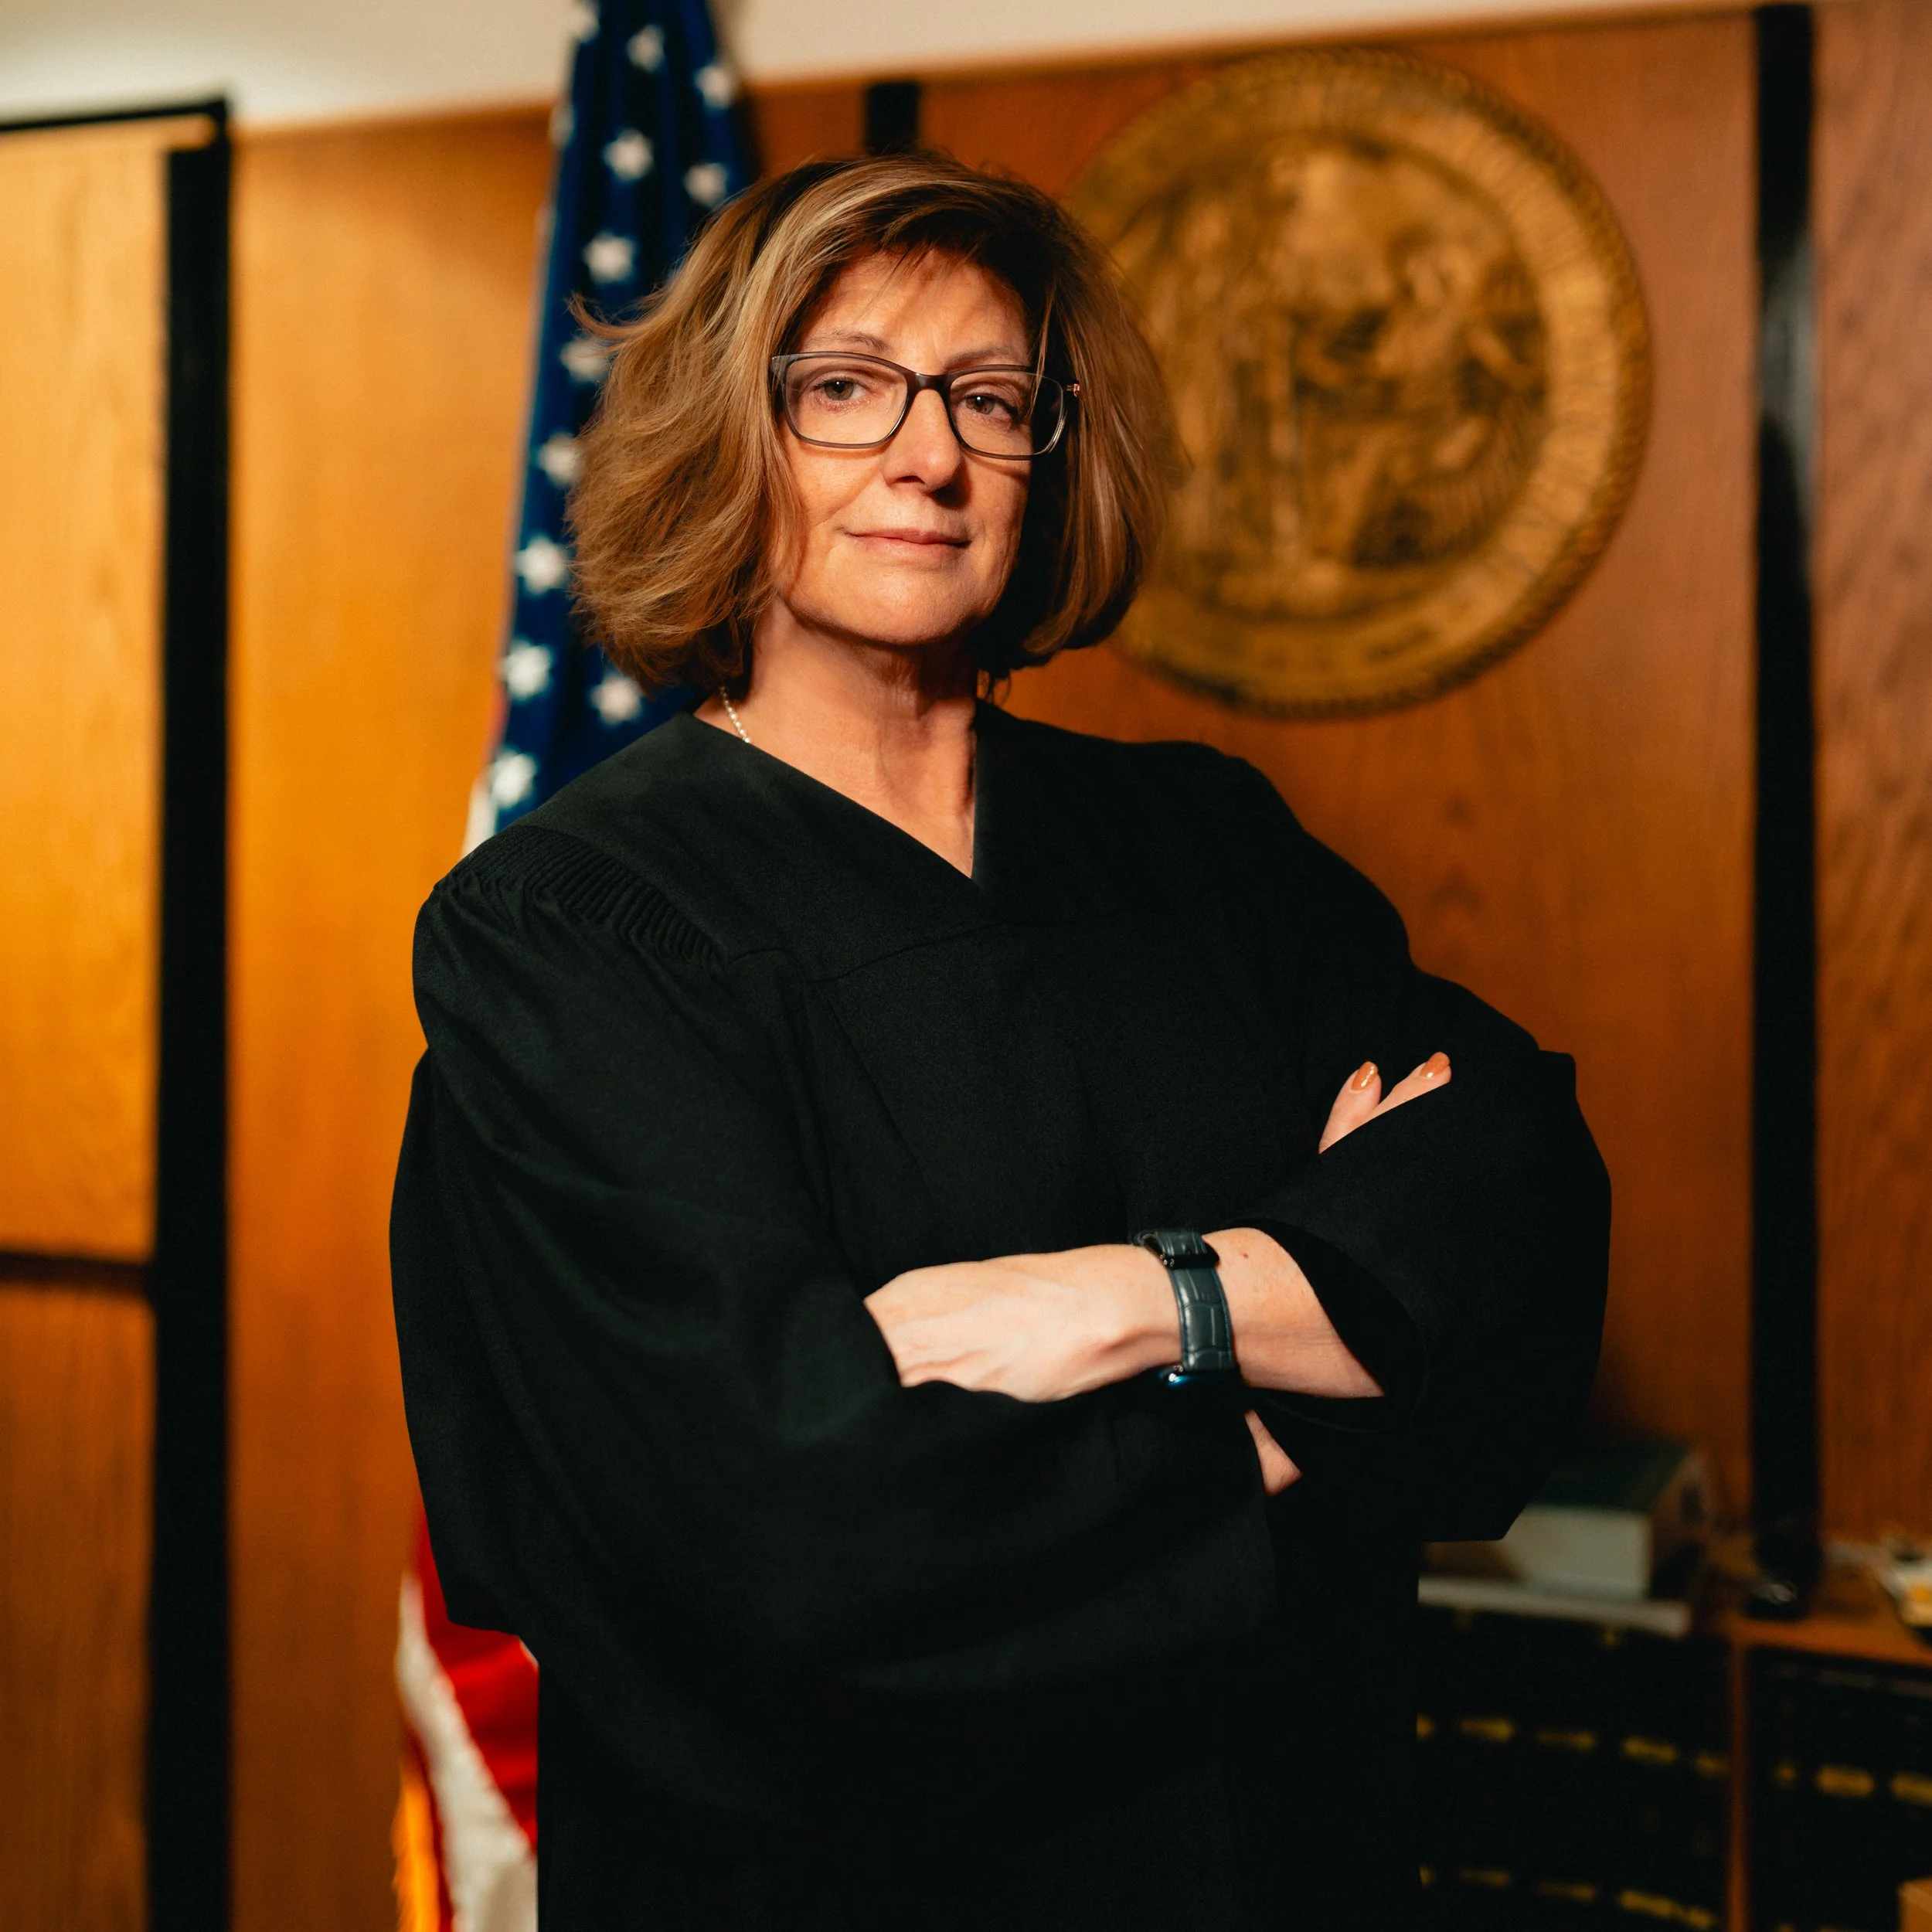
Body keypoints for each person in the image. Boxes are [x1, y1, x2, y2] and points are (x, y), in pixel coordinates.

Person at [390, 151, 1609, 1930]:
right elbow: (780, 1525)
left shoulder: (1207, 846)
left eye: (987, 396)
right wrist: (1302, 1381)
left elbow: (1511, 1210)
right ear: (730, 432)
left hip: (1283, 1850)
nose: (928, 452)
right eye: (843, 388)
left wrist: (1145, 1298)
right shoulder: (568, 930)